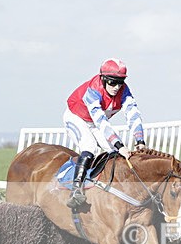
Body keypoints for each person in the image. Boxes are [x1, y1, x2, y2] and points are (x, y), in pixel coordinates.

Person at [63, 58, 147, 208]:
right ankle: (76, 190)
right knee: (90, 148)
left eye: (120, 82)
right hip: (76, 117)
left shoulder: (124, 91)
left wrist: (140, 140)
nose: (116, 87)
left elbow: (133, 114)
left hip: (95, 122)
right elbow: (101, 121)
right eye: (112, 82)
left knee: (116, 153)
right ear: (103, 79)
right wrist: (119, 144)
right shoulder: (93, 90)